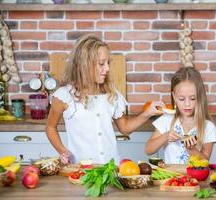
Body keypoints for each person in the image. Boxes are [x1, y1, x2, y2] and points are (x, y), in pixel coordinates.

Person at [45, 34, 163, 164]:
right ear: (83, 64)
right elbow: (50, 127)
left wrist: (148, 113)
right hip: (80, 169)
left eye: (108, 63)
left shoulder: (111, 94)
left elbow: (125, 128)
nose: (107, 69)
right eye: (101, 63)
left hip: (111, 168)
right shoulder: (64, 96)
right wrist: (63, 151)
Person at [145, 67, 216, 164]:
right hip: (171, 177)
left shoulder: (208, 127)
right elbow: (148, 150)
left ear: (200, 97)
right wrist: (165, 136)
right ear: (174, 96)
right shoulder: (166, 120)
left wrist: (192, 150)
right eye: (181, 99)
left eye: (192, 99)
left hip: (195, 179)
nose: (187, 104)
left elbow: (205, 161)